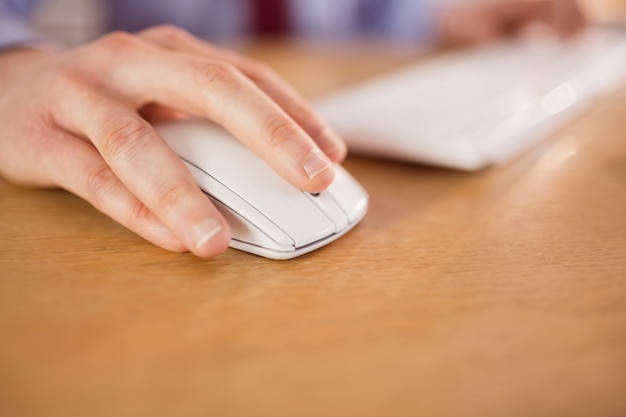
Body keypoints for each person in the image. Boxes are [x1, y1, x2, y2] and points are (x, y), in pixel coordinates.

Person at [0, 0, 585, 258]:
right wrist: (13, 64)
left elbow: (365, 10)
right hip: (163, 107)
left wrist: (445, 13)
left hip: (315, 89)